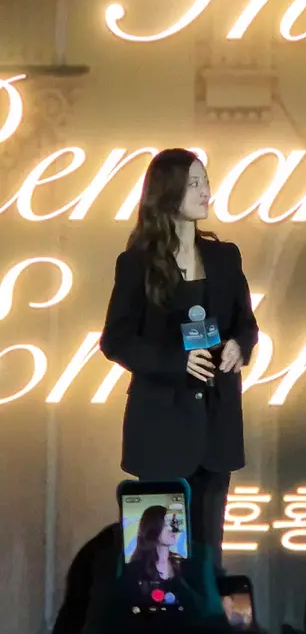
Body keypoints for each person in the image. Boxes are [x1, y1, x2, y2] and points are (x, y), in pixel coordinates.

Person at [100, 148, 259, 568]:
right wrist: (176, 361)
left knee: (209, 557)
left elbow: (247, 324)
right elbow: (116, 340)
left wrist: (239, 346)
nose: (205, 191)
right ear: (167, 191)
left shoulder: (225, 256)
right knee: (157, 563)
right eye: (193, 183)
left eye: (206, 181)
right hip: (160, 430)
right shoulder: (136, 263)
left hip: (217, 426)